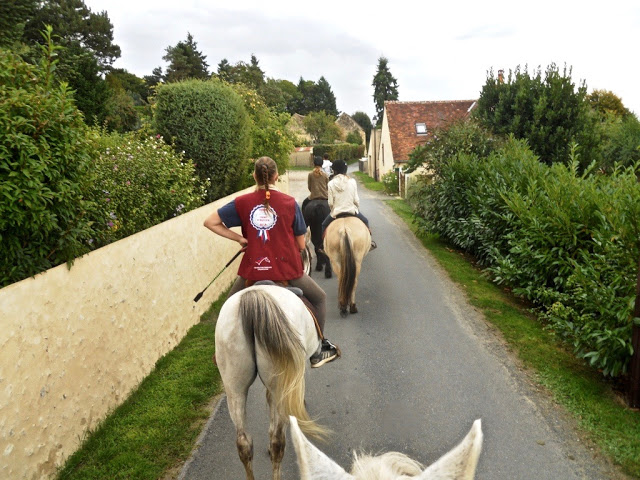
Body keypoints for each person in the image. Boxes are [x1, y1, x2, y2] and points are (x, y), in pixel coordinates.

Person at [204, 156, 340, 368]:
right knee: (320, 298)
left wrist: (241, 239)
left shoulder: (241, 203)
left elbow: (210, 222)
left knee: (227, 308)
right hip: (287, 271)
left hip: (252, 271)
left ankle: (221, 353)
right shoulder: (289, 203)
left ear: (254, 176)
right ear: (276, 176)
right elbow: (302, 245)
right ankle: (318, 349)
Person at [321, 159, 377, 249]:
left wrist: (334, 209)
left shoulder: (330, 183)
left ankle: (323, 247)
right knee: (366, 221)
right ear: (345, 170)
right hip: (352, 211)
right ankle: (369, 244)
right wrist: (356, 208)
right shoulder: (352, 182)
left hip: (336, 213)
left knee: (323, 225)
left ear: (334, 171)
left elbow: (330, 203)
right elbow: (356, 200)